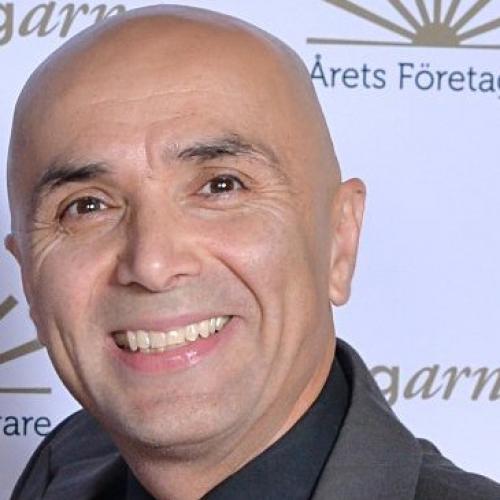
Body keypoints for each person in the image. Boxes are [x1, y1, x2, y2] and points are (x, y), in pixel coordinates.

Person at [4, 5, 499, 500]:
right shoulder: (65, 465)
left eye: (221, 186)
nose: (152, 264)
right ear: (28, 279)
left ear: (340, 239)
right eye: (86, 206)